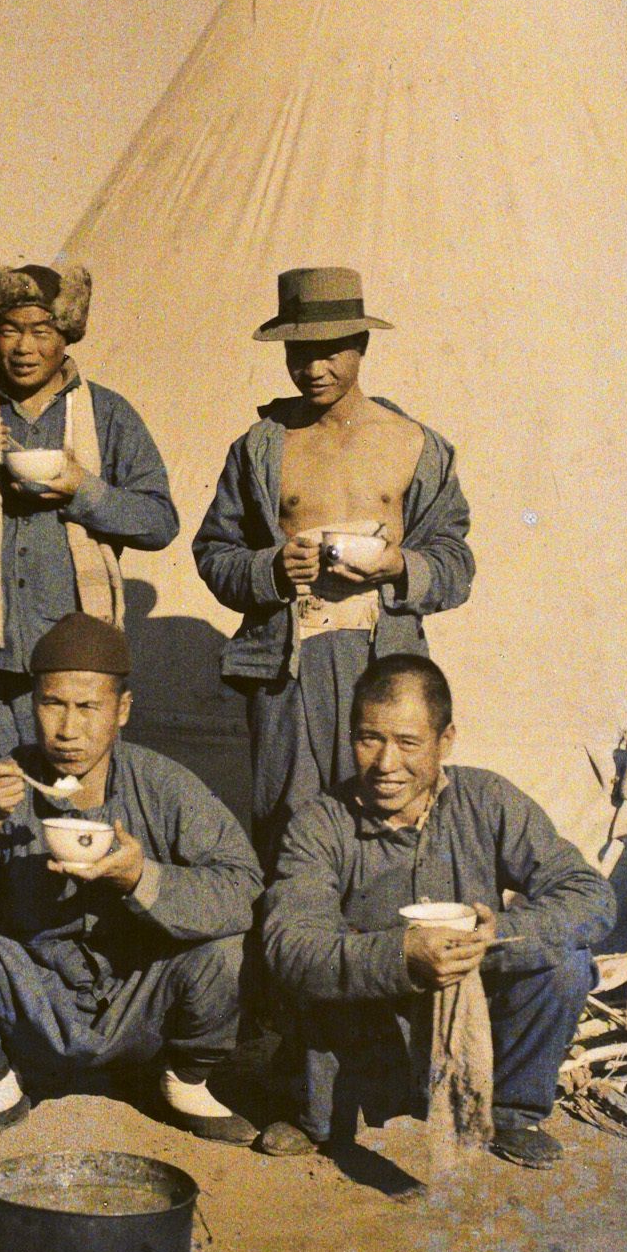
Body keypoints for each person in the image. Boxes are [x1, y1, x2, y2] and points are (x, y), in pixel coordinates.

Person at [0, 612, 263, 1149]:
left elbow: (243, 887)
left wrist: (141, 876)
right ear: (33, 705)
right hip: (34, 1005)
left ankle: (185, 1081)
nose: (68, 729)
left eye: (89, 707)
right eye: (52, 704)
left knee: (228, 947)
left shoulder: (163, 785)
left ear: (123, 710)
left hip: (138, 1001)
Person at [259, 653, 616, 1168]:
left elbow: (590, 894)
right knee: (316, 982)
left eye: (408, 743)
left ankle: (511, 1110)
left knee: (566, 964)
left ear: (445, 741)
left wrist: (500, 935)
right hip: (368, 1018)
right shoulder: (320, 823)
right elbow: (290, 943)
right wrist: (397, 954)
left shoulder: (488, 800)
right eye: (368, 739)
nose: (385, 764)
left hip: (468, 1007)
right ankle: (312, 1111)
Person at [193, 266, 474, 869]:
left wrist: (401, 566)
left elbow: (456, 562)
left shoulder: (414, 444)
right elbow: (214, 554)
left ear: (362, 346)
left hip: (383, 660)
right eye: (299, 352)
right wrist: (271, 568)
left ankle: (383, 953)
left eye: (329, 352)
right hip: (288, 666)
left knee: (388, 810)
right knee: (288, 823)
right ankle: (294, 955)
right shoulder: (261, 446)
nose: (313, 369)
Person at [0, 262, 178, 781]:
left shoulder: (107, 415)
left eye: (40, 331)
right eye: (9, 331)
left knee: (70, 807)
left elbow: (159, 521)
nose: (23, 348)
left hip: (77, 673)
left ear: (66, 334)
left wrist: (85, 490)